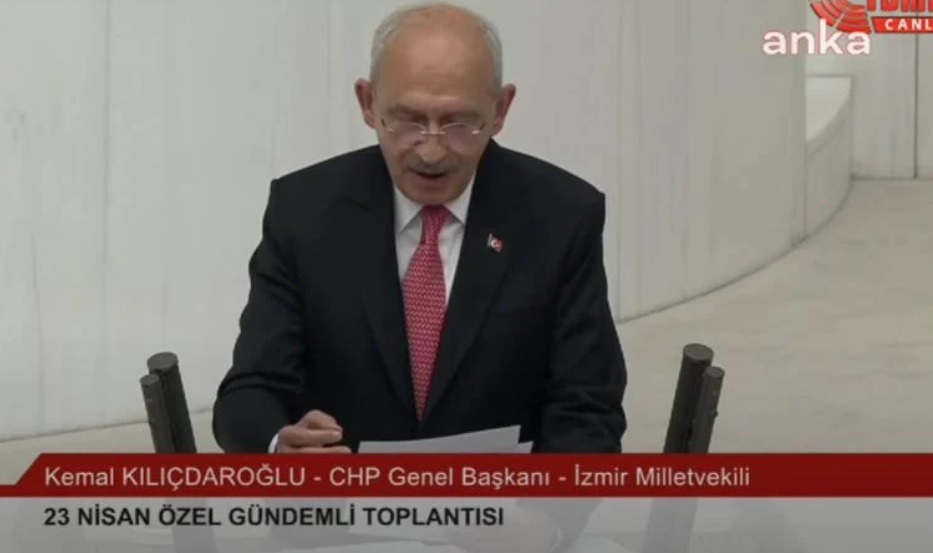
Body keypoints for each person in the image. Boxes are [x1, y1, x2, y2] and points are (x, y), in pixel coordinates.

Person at [213, 2, 627, 551]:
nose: (431, 151)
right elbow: (250, 389)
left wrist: (547, 519)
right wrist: (277, 449)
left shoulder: (561, 217)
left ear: (501, 109)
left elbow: (587, 404)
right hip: (339, 533)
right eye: (407, 120)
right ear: (367, 103)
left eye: (459, 123)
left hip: (500, 531)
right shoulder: (304, 212)